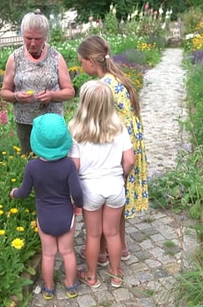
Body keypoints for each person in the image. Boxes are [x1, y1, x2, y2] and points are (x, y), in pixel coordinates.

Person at [77, 35, 148, 265]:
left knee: (109, 203)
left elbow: (98, 119)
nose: (80, 66)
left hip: (116, 144)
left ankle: (101, 251)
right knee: (119, 198)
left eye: (80, 62)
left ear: (90, 61)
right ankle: (123, 247)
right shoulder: (117, 77)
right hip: (129, 141)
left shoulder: (102, 86)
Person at [68, 80, 135, 288]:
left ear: (83, 103)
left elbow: (75, 166)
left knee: (93, 234)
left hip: (90, 189)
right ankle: (115, 275)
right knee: (113, 233)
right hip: (114, 186)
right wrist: (122, 176)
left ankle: (91, 275)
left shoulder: (75, 128)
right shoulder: (119, 128)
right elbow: (130, 160)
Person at [10, 113, 83, 300]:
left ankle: (49, 288)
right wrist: (78, 206)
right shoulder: (68, 166)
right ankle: (70, 285)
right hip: (66, 216)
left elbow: (24, 192)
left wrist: (14, 192)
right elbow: (76, 192)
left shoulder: (32, 167)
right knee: (67, 252)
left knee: (48, 255)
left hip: (44, 217)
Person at [0, 9, 75, 155]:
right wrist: (16, 97)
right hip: (25, 123)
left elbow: (70, 92)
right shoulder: (15, 57)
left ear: (46, 37)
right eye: (28, 38)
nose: (33, 43)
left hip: (51, 123)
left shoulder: (55, 57)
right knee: (30, 164)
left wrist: (52, 95)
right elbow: (4, 92)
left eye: (38, 39)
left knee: (55, 162)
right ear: (22, 35)